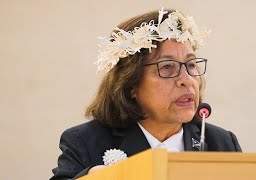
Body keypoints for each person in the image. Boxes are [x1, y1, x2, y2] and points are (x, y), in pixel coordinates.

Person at [50, 8, 242, 180]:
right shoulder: (85, 141)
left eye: (191, 64)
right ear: (131, 84)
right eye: (167, 67)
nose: (187, 79)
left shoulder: (221, 142)